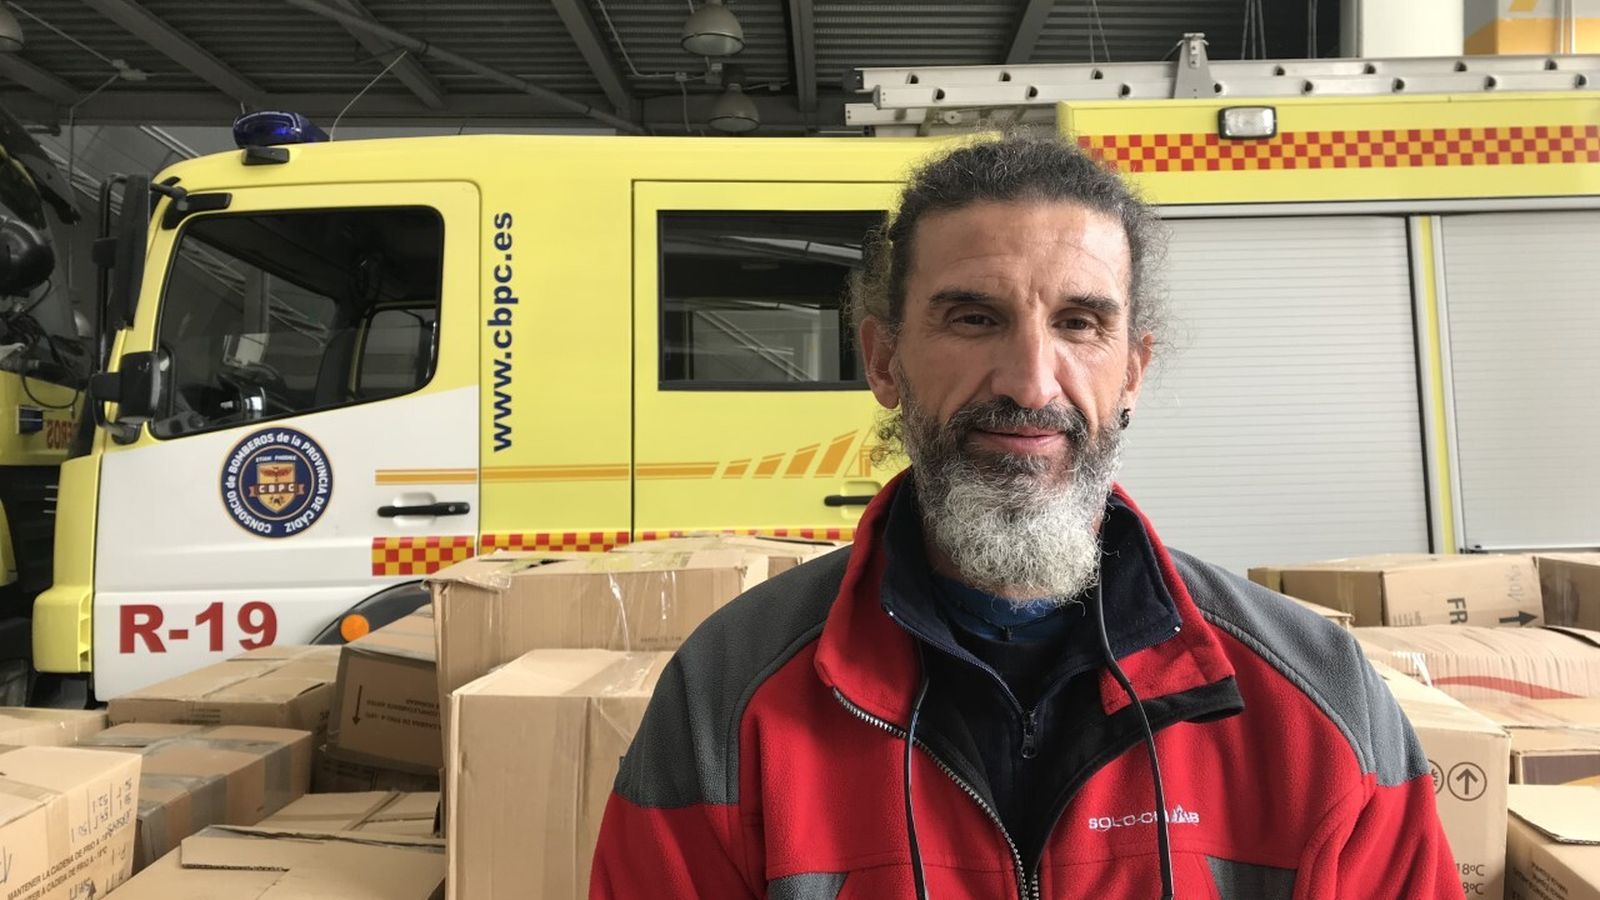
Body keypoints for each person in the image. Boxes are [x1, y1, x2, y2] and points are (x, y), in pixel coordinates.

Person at [591, 134, 1457, 899]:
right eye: (975, 318)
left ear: (1132, 373)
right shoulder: (728, 696)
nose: (1031, 383)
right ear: (885, 361)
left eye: (1080, 324)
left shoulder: (1313, 702)